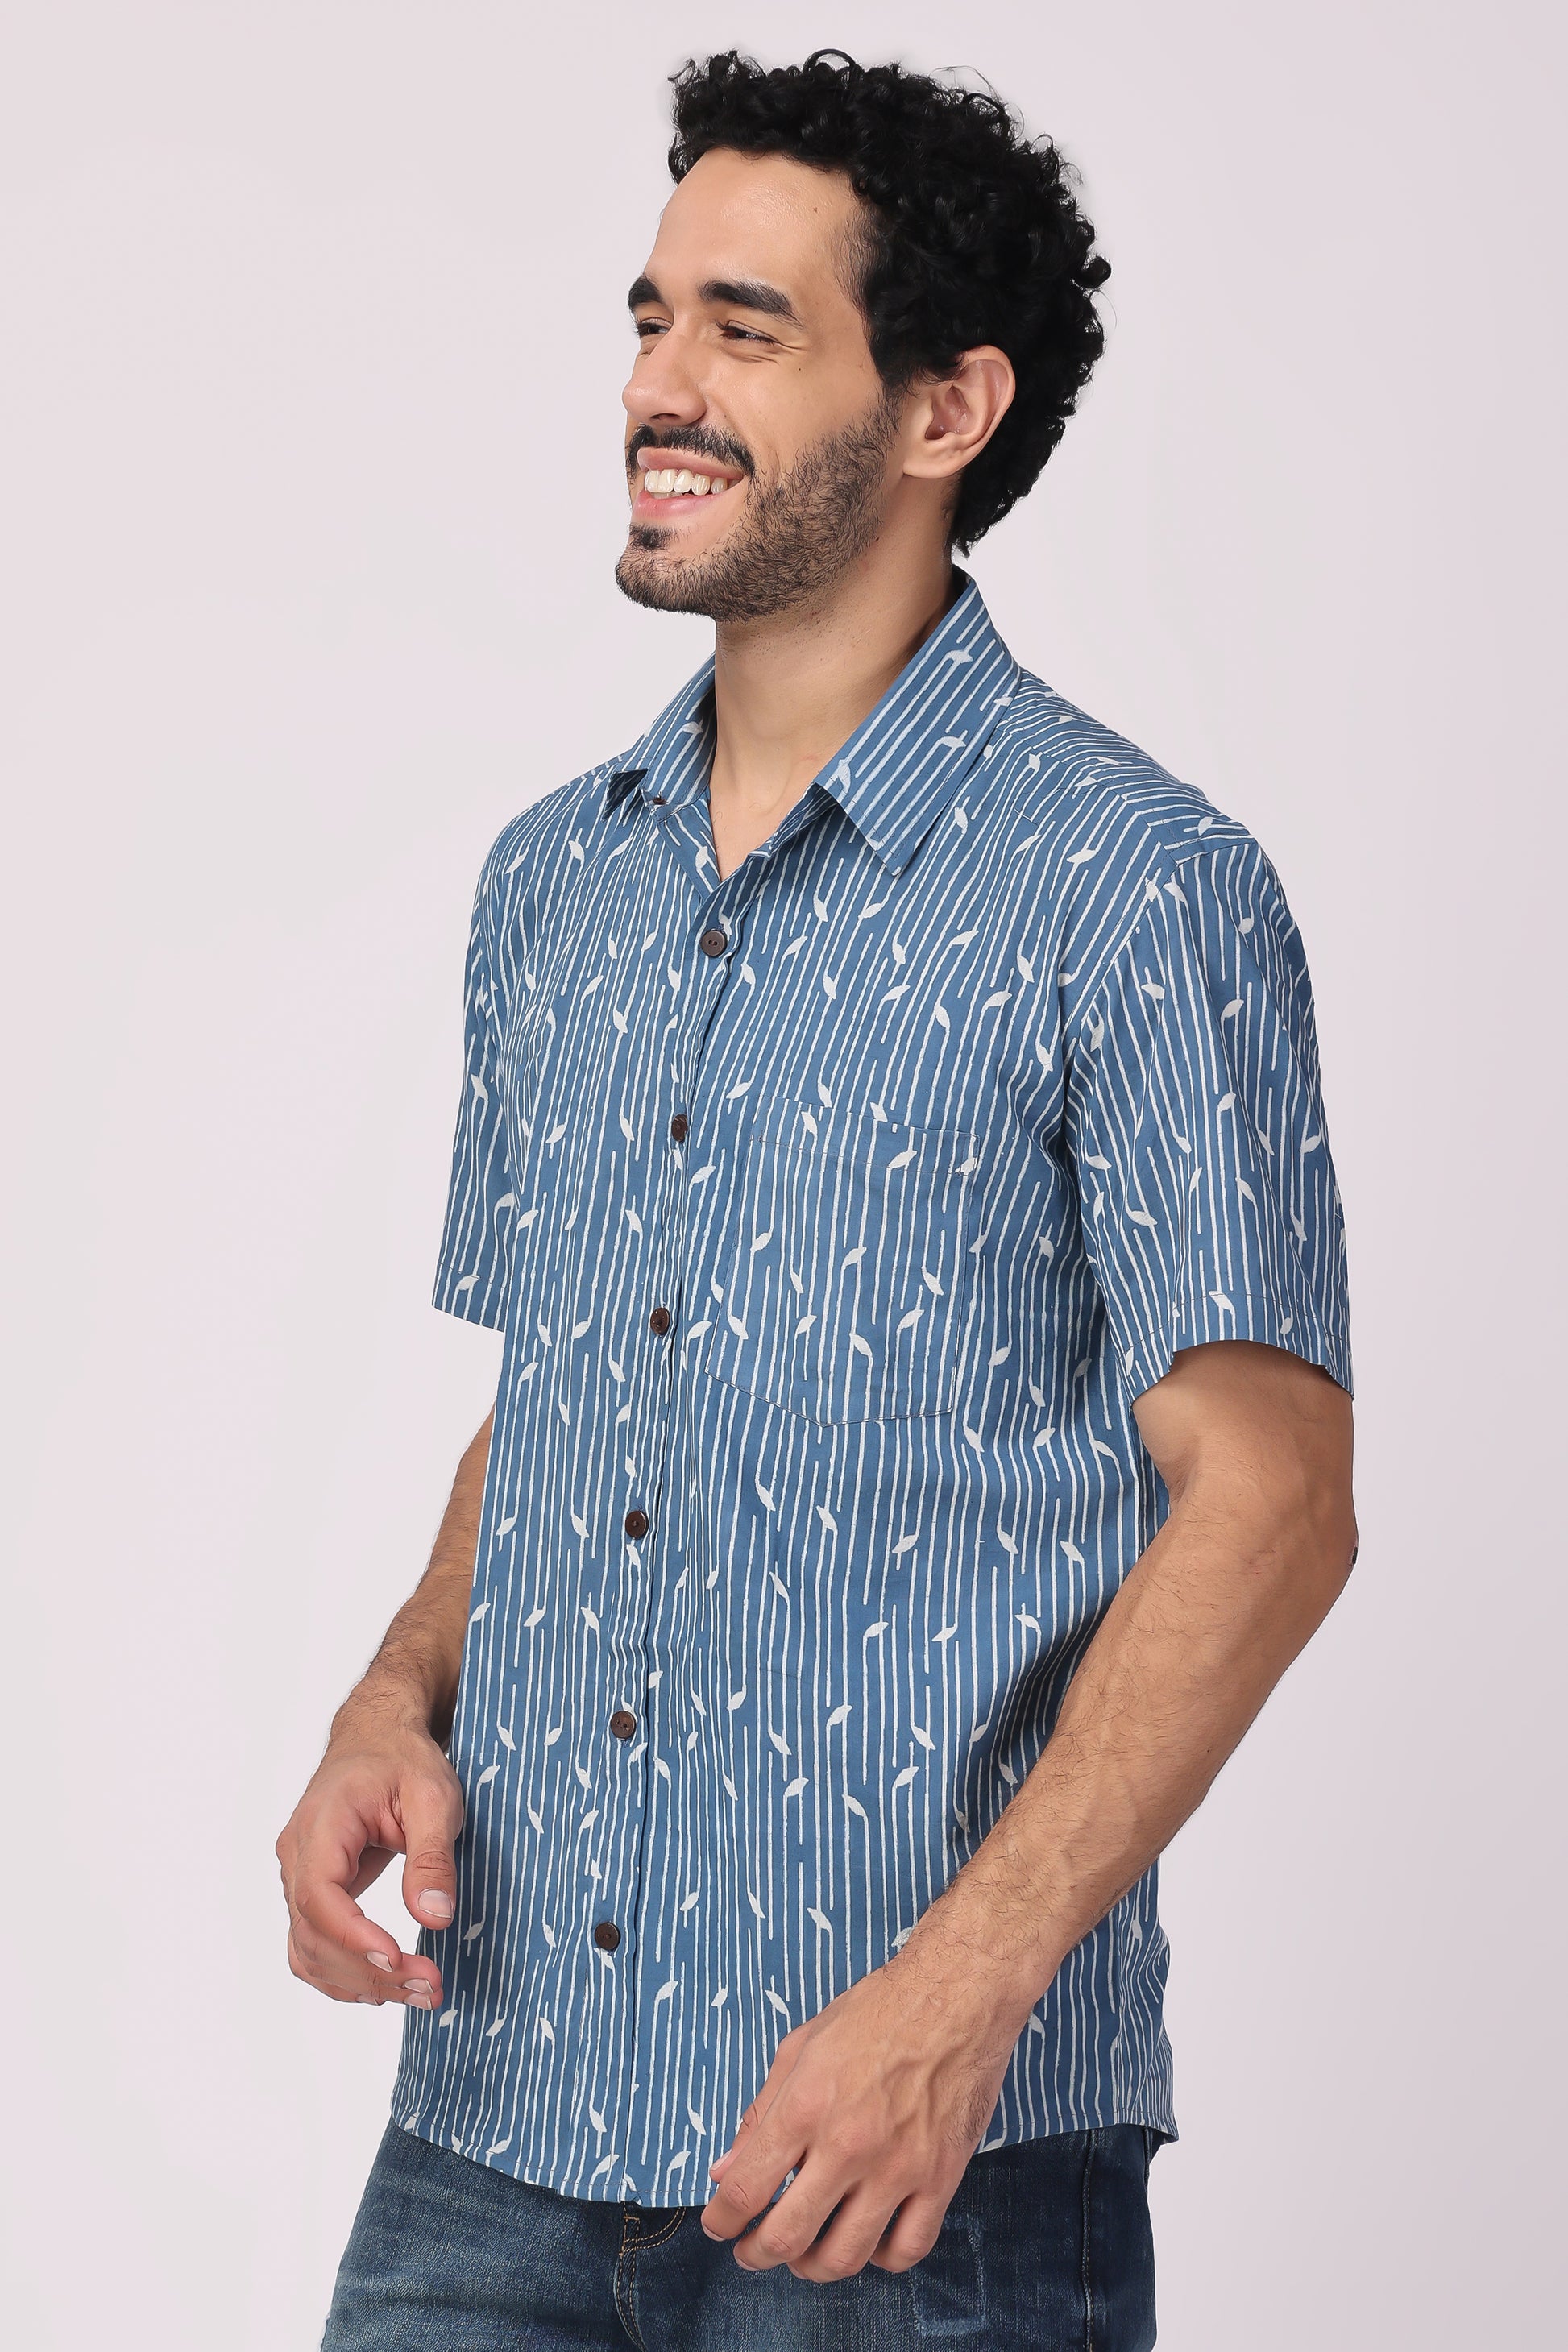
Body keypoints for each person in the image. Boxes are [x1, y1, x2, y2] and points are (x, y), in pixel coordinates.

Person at [279, 49, 1355, 2352]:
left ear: (945, 407)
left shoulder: (1133, 890)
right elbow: (572, 1397)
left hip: (907, 2175)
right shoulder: (551, 886)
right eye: (652, 317)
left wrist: (955, 2004)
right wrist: (395, 1694)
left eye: (746, 330)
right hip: (496, 2121)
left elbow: (1271, 1506)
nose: (657, 388)